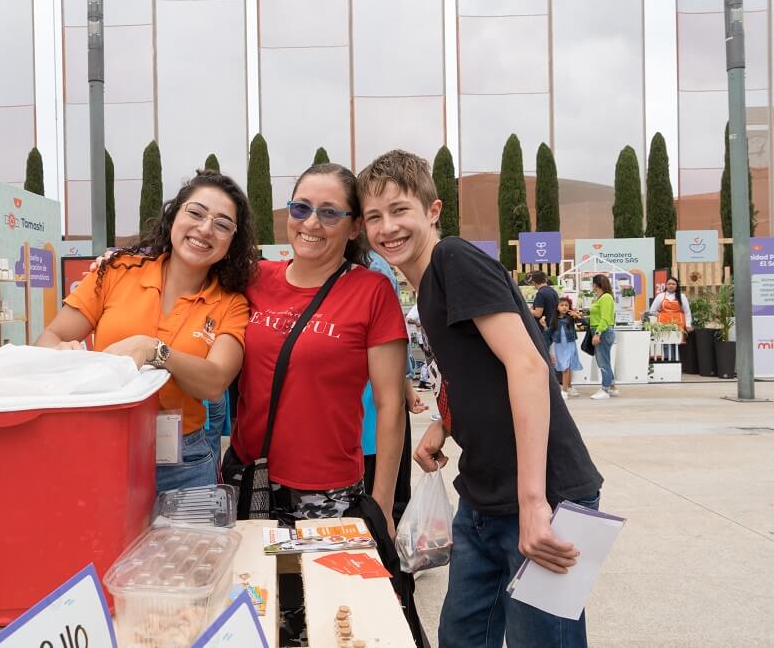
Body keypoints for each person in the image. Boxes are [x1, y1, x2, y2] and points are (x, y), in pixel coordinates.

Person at [357, 149, 603, 648]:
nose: (387, 227)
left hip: (546, 495)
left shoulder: (453, 259)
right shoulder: (428, 285)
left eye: (400, 209)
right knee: (463, 636)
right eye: (374, 217)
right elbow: (473, 367)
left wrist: (535, 504)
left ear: (432, 210)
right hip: (482, 496)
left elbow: (529, 365)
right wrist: (443, 423)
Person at [36, 170, 257, 493]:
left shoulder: (231, 303)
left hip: (186, 463)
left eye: (222, 224)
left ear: (231, 242)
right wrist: (64, 355)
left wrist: (153, 349)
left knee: (190, 546)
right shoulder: (117, 272)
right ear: (174, 216)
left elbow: (214, 381)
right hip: (102, 448)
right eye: (195, 213)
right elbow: (49, 339)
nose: (205, 229)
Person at [223, 162, 408, 532]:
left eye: (329, 213)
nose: (310, 223)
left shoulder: (372, 291)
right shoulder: (255, 278)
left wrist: (383, 504)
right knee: (253, 589)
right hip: (248, 475)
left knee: (320, 591)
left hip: (327, 492)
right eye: (301, 208)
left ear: (354, 226)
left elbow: (391, 404)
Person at [362, 250, 426, 524]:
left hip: (372, 404)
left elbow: (393, 339)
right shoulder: (372, 265)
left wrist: (407, 388)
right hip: (368, 404)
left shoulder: (372, 269)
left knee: (379, 502)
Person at [546, 297, 586, 401]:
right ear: (557, 307)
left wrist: (577, 316)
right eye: (562, 305)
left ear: (569, 307)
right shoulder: (554, 319)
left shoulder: (571, 318)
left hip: (570, 344)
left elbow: (585, 324)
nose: (564, 307)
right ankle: (569, 386)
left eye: (566, 305)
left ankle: (564, 391)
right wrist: (543, 326)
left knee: (566, 367)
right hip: (559, 346)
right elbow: (549, 333)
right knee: (565, 366)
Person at [589, 274, 619, 400]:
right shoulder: (601, 297)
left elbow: (605, 318)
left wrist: (597, 333)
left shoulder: (605, 298)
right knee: (605, 360)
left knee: (602, 361)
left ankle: (605, 388)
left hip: (603, 331)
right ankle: (611, 386)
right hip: (602, 330)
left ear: (596, 285)